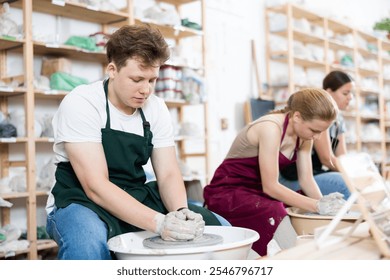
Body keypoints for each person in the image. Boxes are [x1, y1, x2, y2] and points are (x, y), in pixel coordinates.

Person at [45, 24, 222, 260]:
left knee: (219, 226)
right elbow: (95, 186)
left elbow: (168, 173)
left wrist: (181, 213)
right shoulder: (82, 102)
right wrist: (158, 223)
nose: (146, 90)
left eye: (152, 80)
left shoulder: (156, 107)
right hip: (81, 200)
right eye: (137, 79)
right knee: (88, 246)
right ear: (112, 70)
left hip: (135, 193)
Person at [203, 88, 346, 256]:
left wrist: (325, 207)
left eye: (321, 131)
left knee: (300, 206)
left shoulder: (305, 135)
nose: (317, 137)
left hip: (258, 191)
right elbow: (271, 187)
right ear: (297, 116)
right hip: (229, 191)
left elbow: (306, 180)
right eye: (314, 130)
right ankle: (294, 258)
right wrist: (316, 206)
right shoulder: (270, 128)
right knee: (276, 209)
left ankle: (317, 252)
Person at [279, 71, 354, 199]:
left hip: (311, 174)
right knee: (345, 184)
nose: (350, 97)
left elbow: (342, 158)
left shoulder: (338, 120)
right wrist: (354, 176)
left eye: (351, 93)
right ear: (329, 92)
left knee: (357, 183)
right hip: (292, 176)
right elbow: (327, 159)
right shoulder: (321, 116)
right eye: (345, 93)